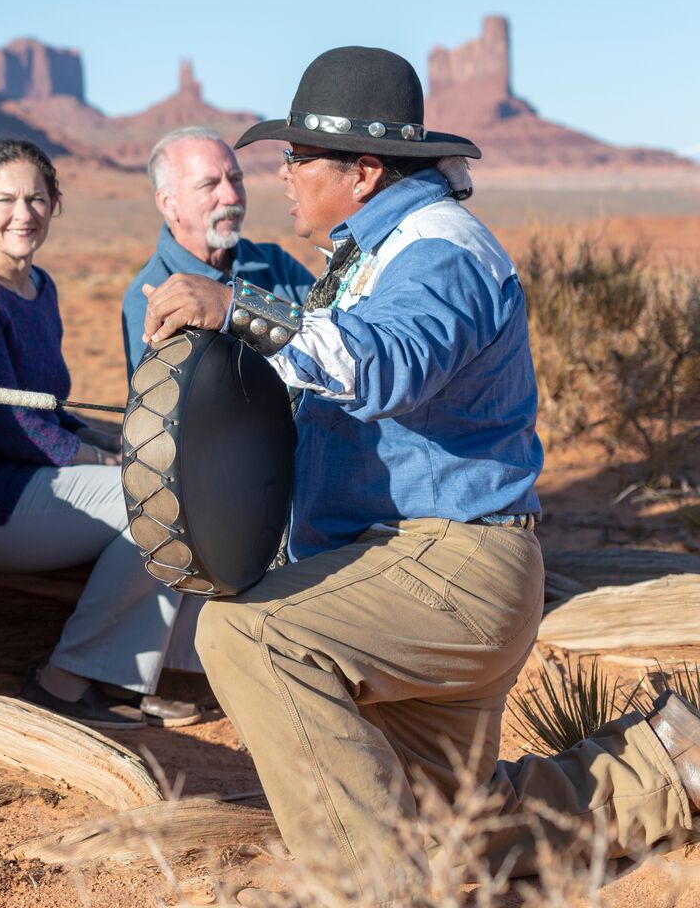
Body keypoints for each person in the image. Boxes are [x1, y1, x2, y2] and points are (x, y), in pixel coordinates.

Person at [142, 46, 700, 888]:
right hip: (408, 568)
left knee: (248, 633)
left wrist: (242, 310)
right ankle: (666, 767)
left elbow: (387, 362)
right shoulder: (375, 249)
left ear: (363, 170)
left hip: (446, 567)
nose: (283, 176)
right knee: (446, 827)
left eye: (298, 158)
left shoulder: (439, 248)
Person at [0, 139, 199, 729]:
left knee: (171, 481)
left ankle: (123, 678)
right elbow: (4, 420)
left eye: (38, 198)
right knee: (156, 500)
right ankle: (62, 683)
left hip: (28, 482)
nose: (24, 213)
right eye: (6, 198)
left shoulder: (42, 287)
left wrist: (111, 443)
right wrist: (94, 455)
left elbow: (48, 406)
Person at [120, 125, 314, 372]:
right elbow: (160, 404)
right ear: (168, 204)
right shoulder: (149, 293)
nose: (231, 196)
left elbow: (331, 343)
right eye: (209, 184)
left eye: (236, 179)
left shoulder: (275, 264)